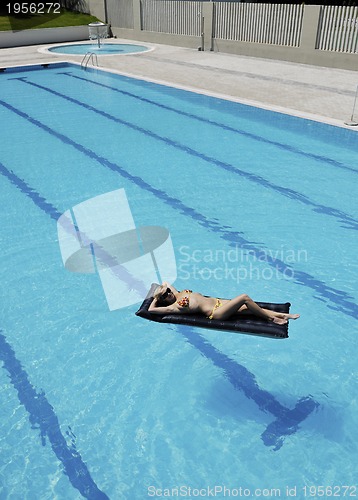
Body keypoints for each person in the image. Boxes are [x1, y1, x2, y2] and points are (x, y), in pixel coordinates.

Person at [148, 282, 300, 325]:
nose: (168, 294)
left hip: (220, 302)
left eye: (167, 291)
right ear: (162, 300)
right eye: (165, 295)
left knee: (251, 308)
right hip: (216, 313)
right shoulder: (173, 307)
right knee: (245, 298)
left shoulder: (176, 293)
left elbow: (165, 282)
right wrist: (156, 298)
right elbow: (151, 310)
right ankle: (270, 319)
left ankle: (284, 315)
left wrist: (161, 289)